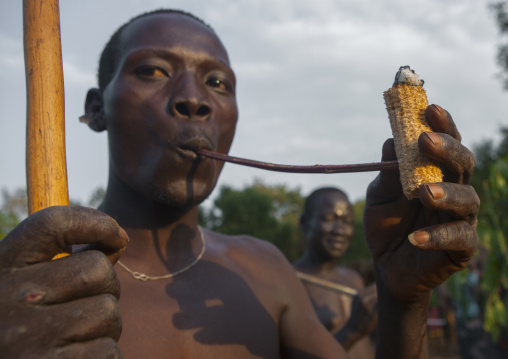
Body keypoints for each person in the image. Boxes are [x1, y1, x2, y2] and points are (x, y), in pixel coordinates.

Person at [0, 8, 479, 359]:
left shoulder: (262, 270)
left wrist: (404, 301)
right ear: (97, 107)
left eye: (218, 84)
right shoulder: (29, 287)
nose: (193, 99)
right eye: (153, 71)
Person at [293, 187, 377, 358]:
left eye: (347, 222)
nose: (339, 230)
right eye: (329, 219)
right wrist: (352, 330)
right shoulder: (289, 281)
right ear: (304, 222)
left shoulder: (353, 278)